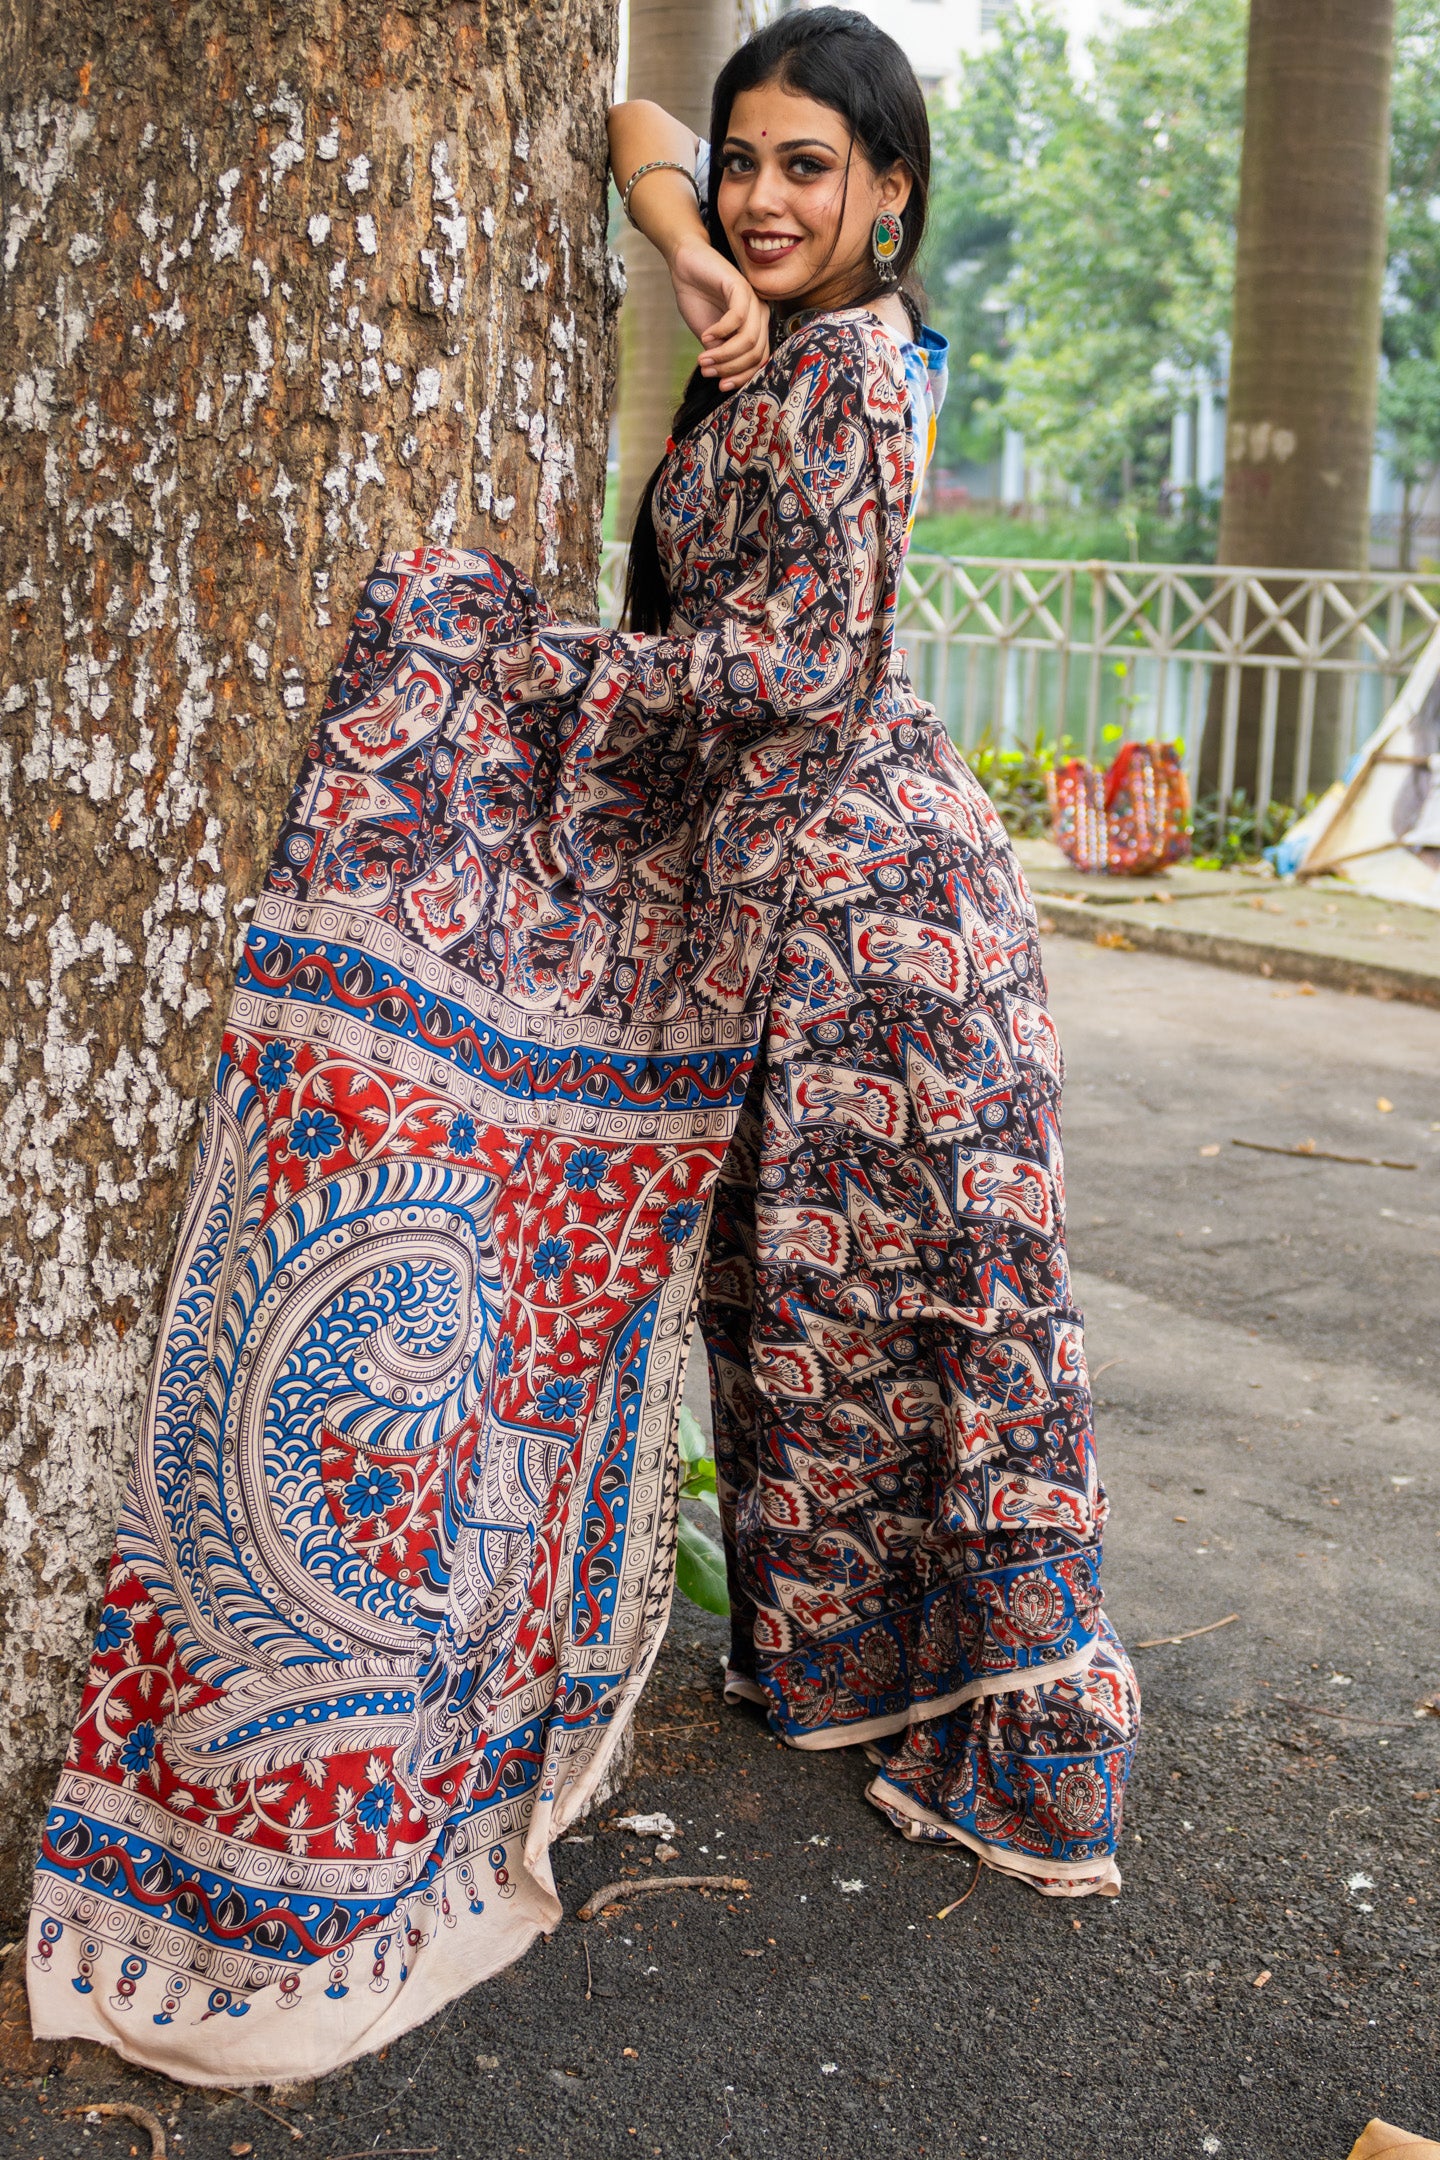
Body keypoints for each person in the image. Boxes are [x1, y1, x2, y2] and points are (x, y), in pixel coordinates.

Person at [26, 7, 1138, 2089]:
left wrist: (540, 661)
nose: (770, 195)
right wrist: (686, 236)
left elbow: (796, 664)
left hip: (885, 918)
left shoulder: (868, 373)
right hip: (790, 918)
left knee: (950, 1317)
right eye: (755, 160)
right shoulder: (767, 326)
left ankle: (1035, 1742)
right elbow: (632, 109)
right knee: (805, 1310)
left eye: (817, 170)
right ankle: (871, 1684)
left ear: (897, 195)